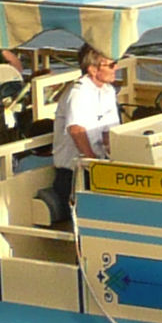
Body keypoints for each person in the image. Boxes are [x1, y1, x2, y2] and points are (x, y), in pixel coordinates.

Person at [50, 42, 123, 225]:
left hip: (98, 164)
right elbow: (76, 130)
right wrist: (92, 162)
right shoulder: (79, 92)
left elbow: (108, 130)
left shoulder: (107, 91)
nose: (117, 68)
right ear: (93, 69)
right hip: (74, 171)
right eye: (111, 65)